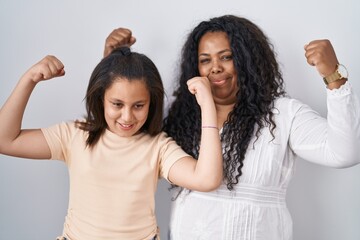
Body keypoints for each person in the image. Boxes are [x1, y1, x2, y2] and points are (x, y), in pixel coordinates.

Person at [103, 15, 360, 240]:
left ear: (249, 61)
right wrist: (114, 64)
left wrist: (334, 76)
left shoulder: (281, 114)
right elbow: (121, 137)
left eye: (226, 57)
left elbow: (345, 153)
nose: (215, 67)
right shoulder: (180, 113)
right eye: (205, 60)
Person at [0, 46, 223, 240]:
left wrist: (207, 106)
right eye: (117, 104)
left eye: (138, 106)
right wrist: (28, 80)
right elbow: (5, 140)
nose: (127, 117)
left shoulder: (158, 147)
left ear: (150, 104)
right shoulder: (75, 135)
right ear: (101, 100)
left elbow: (206, 179)